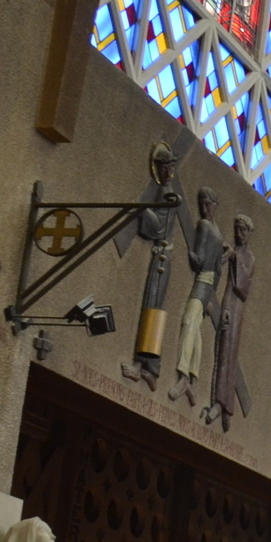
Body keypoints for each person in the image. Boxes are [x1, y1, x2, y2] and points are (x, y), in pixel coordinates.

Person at [115, 144, 183, 387]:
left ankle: (146, 366)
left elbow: (159, 228)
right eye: (164, 168)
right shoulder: (167, 191)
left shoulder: (168, 192)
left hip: (163, 256)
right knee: (153, 304)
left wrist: (143, 211)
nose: (167, 172)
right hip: (162, 255)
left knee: (152, 305)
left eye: (170, 168)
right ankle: (148, 367)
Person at [170, 189, 225, 406]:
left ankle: (183, 376)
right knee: (197, 330)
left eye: (207, 204)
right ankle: (194, 379)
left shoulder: (205, 227)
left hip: (203, 281)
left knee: (188, 322)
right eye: (201, 204)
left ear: (215, 205)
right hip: (209, 285)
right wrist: (212, 297)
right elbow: (218, 272)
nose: (204, 209)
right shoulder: (220, 235)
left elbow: (200, 260)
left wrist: (191, 255)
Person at [209, 214, 254, 431]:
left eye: (243, 230)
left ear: (249, 233)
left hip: (237, 309)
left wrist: (235, 259)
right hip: (230, 306)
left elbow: (243, 287)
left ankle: (226, 406)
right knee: (223, 351)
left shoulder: (248, 258)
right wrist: (225, 309)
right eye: (237, 230)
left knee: (229, 353)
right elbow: (229, 287)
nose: (239, 234)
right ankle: (219, 402)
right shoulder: (235, 253)